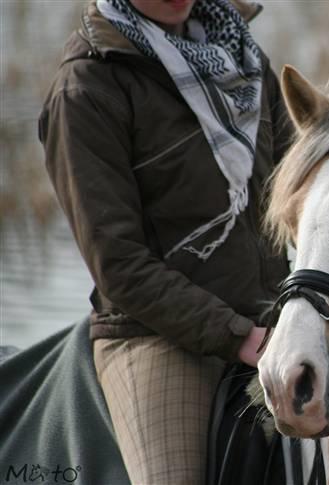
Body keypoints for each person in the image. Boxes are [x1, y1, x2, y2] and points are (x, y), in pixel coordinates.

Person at [38, 0, 291, 483]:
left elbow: (299, 197)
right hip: (156, 339)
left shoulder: (245, 60)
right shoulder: (87, 88)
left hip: (274, 322)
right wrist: (236, 335)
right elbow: (119, 265)